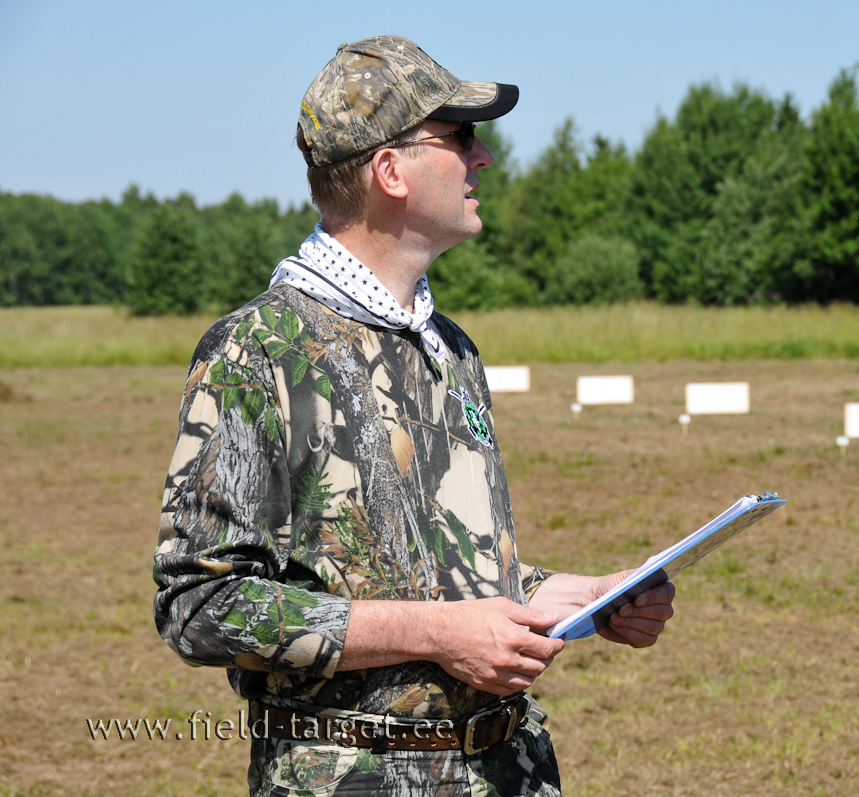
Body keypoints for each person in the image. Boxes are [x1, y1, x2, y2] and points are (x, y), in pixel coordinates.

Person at [152, 35, 675, 796]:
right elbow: (200, 603)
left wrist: (585, 596)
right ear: (390, 171)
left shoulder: (451, 348)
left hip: (509, 768)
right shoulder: (257, 352)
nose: (484, 157)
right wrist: (439, 634)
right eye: (460, 137)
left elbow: (437, 571)